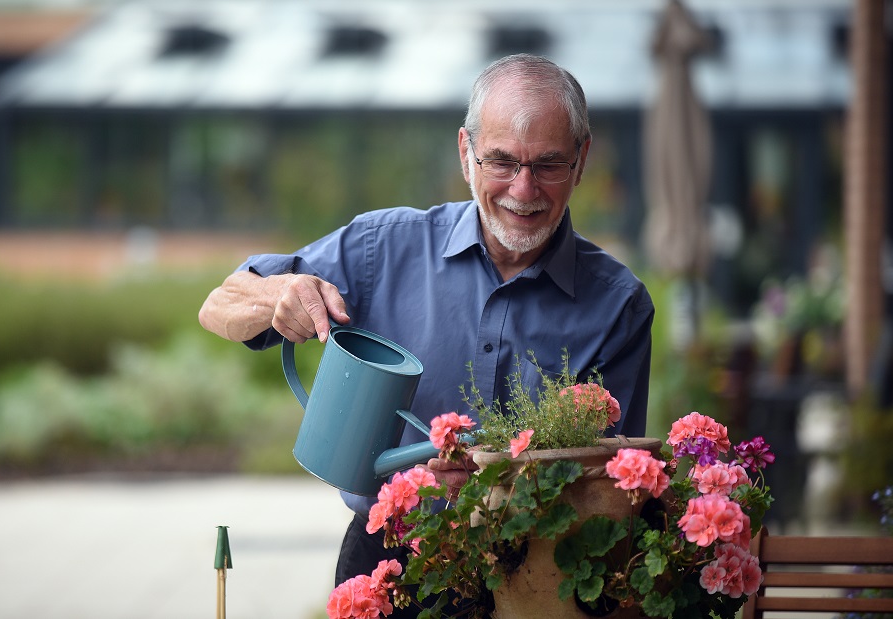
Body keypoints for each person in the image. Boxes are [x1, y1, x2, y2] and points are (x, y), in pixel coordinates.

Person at [198, 53, 654, 617]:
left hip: (537, 572)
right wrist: (278, 296)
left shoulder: (618, 305)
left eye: (549, 164)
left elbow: (608, 489)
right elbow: (219, 304)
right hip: (387, 560)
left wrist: (493, 485)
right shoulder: (381, 248)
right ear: (465, 153)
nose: (523, 188)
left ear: (581, 162)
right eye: (501, 161)